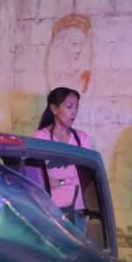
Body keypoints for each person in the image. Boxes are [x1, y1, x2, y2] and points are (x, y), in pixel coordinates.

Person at [32, 86, 93, 216]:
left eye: (76, 107)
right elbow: (37, 179)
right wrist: (66, 181)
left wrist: (59, 182)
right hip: (51, 211)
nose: (74, 112)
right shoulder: (41, 138)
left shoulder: (82, 138)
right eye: (69, 107)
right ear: (54, 109)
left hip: (79, 210)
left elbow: (88, 178)